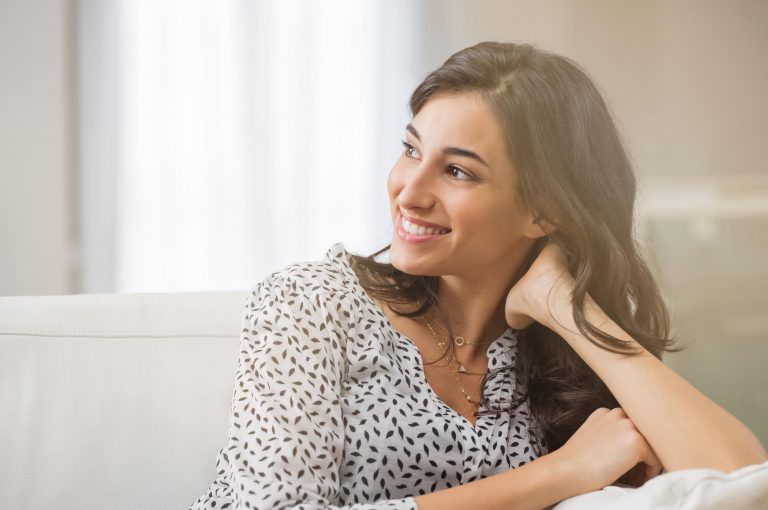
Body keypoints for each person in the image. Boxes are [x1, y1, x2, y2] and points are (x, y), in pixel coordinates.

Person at [189, 41, 767, 510]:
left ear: (543, 210)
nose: (409, 193)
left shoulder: (556, 359)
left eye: (458, 171)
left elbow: (741, 483)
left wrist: (566, 305)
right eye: (411, 150)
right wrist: (561, 473)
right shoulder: (310, 302)